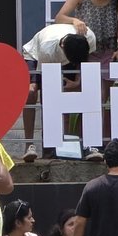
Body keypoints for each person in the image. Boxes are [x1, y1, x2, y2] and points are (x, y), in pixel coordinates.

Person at [54, 0, 118, 160]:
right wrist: (74, 21)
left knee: (102, 99)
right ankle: (85, 142)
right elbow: (60, 17)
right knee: (89, 96)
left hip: (109, 50)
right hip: (87, 52)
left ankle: (95, 142)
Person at [18, 23, 94, 162]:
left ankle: (73, 146)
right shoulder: (48, 49)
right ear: (63, 48)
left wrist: (77, 81)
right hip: (35, 55)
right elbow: (48, 92)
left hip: (68, 56)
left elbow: (86, 62)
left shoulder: (89, 37)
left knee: (72, 91)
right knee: (32, 92)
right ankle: (32, 145)